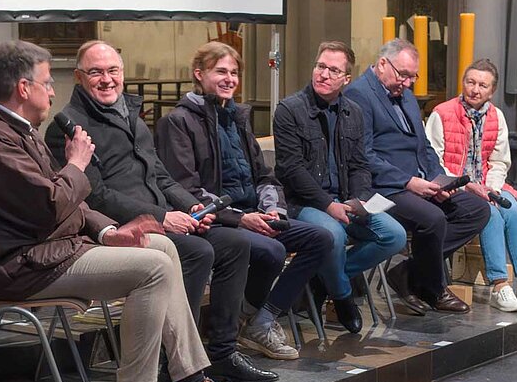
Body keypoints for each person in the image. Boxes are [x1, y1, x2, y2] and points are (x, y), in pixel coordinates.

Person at [0, 41, 256, 382]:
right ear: (23, 88)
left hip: (44, 251)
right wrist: (77, 164)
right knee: (153, 268)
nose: (52, 91)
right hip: (16, 266)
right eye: (46, 82)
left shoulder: (13, 129)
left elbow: (64, 201)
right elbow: (51, 205)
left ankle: (189, 381)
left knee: (161, 247)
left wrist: (109, 231)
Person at [46, 40, 278, 382]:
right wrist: (163, 216)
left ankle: (222, 352)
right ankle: (175, 363)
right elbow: (96, 198)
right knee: (199, 252)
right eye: (96, 72)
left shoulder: (131, 116)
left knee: (234, 245)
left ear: (123, 74)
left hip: (160, 217)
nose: (106, 80)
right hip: (115, 229)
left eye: (113, 71)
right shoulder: (69, 130)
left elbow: (160, 176)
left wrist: (190, 205)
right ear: (79, 77)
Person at [155, 41, 333, 355]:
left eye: (234, 73)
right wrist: (241, 219)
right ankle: (243, 322)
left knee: (320, 238)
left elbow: (264, 175)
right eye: (220, 71)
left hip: (253, 213)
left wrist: (272, 209)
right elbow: (187, 189)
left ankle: (261, 319)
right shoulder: (178, 122)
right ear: (199, 74)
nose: (229, 79)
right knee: (272, 250)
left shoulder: (237, 118)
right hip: (216, 220)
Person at [343, 38, 490, 315]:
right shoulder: (359, 94)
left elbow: (425, 147)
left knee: (477, 210)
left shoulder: (406, 95)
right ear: (383, 64)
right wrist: (409, 182)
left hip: (420, 184)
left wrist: (438, 179)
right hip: (383, 189)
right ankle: (433, 289)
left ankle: (409, 273)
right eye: (404, 75)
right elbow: (364, 156)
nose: (408, 83)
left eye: (413, 76)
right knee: (432, 218)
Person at [273, 41, 407, 331]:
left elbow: (360, 165)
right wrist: (328, 205)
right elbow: (291, 170)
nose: (324, 74)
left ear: (346, 79)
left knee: (394, 235)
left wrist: (357, 199)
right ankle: (343, 296)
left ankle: (325, 277)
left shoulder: (353, 112)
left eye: (334, 70)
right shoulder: (289, 110)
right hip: (304, 204)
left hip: (345, 201)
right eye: (321, 66)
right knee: (332, 235)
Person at [425, 59, 517, 311]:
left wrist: (490, 187)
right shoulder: (442, 113)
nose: (475, 89)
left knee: (512, 210)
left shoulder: (496, 116)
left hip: (488, 184)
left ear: (491, 91)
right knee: (489, 214)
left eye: (482, 85)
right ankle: (499, 285)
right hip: (453, 189)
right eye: (470, 82)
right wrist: (468, 187)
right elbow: (432, 161)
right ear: (463, 83)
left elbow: (500, 160)